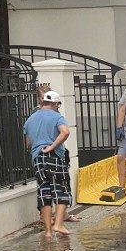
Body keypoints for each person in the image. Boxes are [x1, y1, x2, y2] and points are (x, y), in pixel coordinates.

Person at [24, 90, 71, 238]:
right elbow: (65, 132)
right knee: (61, 189)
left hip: (38, 158)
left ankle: (48, 232)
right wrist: (52, 146)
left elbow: (28, 142)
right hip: (54, 156)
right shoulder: (57, 117)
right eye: (58, 104)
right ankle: (58, 224)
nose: (58, 107)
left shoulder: (30, 120)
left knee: (44, 192)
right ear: (55, 103)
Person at [36, 85, 80, 223]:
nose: (46, 101)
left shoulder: (55, 113)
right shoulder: (37, 114)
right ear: (39, 99)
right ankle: (46, 218)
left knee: (61, 185)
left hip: (58, 152)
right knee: (48, 187)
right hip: (47, 154)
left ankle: (63, 214)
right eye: (43, 98)